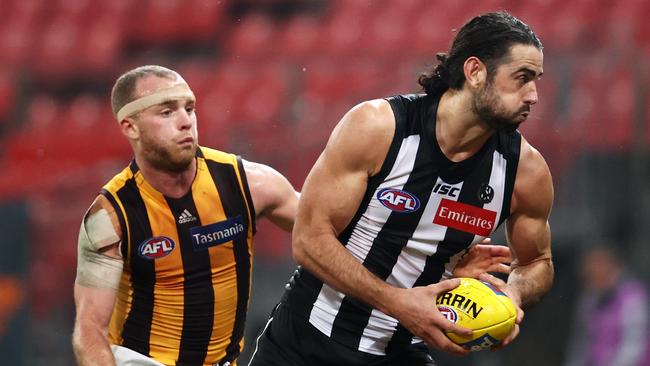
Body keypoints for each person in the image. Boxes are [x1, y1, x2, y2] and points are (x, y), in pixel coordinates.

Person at [71, 65, 510, 366]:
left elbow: (346, 240)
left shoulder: (249, 183)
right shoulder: (112, 217)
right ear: (129, 127)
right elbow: (89, 328)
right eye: (167, 112)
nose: (186, 121)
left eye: (190, 108)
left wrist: (446, 265)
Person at [249, 11, 554, 366]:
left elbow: (538, 262)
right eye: (522, 78)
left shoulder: (525, 171)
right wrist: (397, 302)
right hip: (304, 344)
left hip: (400, 351)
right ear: (475, 72)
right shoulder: (379, 127)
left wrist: (511, 294)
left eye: (536, 80)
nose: (533, 95)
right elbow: (309, 240)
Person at [564, 246, 649, 366]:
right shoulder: (590, 298)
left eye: (594, 267)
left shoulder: (633, 297)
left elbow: (634, 344)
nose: (588, 273)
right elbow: (582, 342)